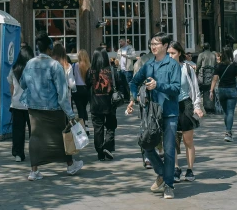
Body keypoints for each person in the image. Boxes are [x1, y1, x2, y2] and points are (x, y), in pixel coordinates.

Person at [19, 33, 83, 180]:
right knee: (61, 137)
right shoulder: (55, 66)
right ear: (49, 49)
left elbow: (22, 84)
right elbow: (62, 93)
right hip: (53, 108)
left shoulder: (30, 64)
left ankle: (34, 171)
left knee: (35, 137)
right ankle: (70, 164)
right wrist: (70, 114)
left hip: (34, 108)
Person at [126, 32, 181, 200]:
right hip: (151, 114)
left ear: (165, 46)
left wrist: (158, 85)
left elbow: (176, 88)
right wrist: (134, 98)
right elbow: (133, 82)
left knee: (170, 151)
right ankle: (163, 173)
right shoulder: (148, 65)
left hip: (169, 112)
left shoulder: (173, 65)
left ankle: (169, 186)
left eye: (156, 43)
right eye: (151, 43)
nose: (153, 46)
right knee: (146, 145)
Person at [168, 41, 204, 183]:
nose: (170, 56)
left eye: (173, 53)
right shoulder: (164, 69)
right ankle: (176, 168)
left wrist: (197, 106)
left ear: (180, 53)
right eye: (168, 53)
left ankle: (190, 169)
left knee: (187, 140)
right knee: (172, 140)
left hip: (185, 104)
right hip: (170, 106)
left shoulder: (186, 68)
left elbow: (195, 89)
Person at [86, 49, 124, 161]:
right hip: (110, 104)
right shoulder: (112, 70)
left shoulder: (90, 71)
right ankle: (107, 146)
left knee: (98, 129)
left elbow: (87, 86)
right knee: (111, 126)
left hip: (95, 104)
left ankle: (100, 152)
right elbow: (120, 85)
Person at [210, 45, 237, 142]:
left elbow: (215, 79)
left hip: (222, 90)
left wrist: (211, 90)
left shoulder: (218, 66)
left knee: (226, 112)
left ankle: (228, 131)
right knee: (230, 112)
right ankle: (228, 132)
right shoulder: (235, 65)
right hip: (232, 89)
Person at [8, 45, 33, 162]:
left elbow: (11, 88)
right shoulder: (33, 69)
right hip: (31, 104)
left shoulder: (14, 69)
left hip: (17, 104)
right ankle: (35, 153)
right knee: (34, 130)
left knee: (18, 130)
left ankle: (18, 154)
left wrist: (14, 97)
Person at [72, 49, 90, 127]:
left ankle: (82, 126)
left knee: (80, 109)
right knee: (84, 107)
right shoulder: (89, 66)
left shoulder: (74, 65)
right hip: (86, 89)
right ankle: (86, 125)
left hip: (77, 89)